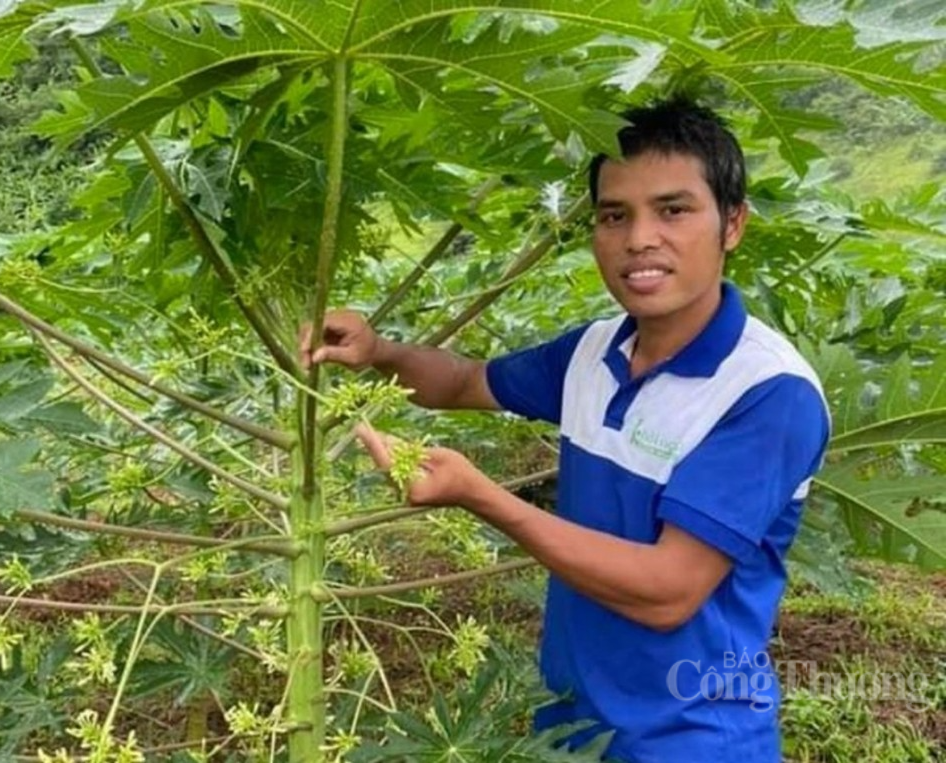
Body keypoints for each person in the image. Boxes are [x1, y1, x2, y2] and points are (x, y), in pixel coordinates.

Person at [301, 96, 831, 762]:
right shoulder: (596, 350)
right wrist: (378, 350)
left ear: (733, 224)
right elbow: (465, 381)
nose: (639, 238)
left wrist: (482, 496)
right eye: (615, 215)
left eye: (673, 210)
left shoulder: (768, 393)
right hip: (570, 728)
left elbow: (669, 590)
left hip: (691, 741)